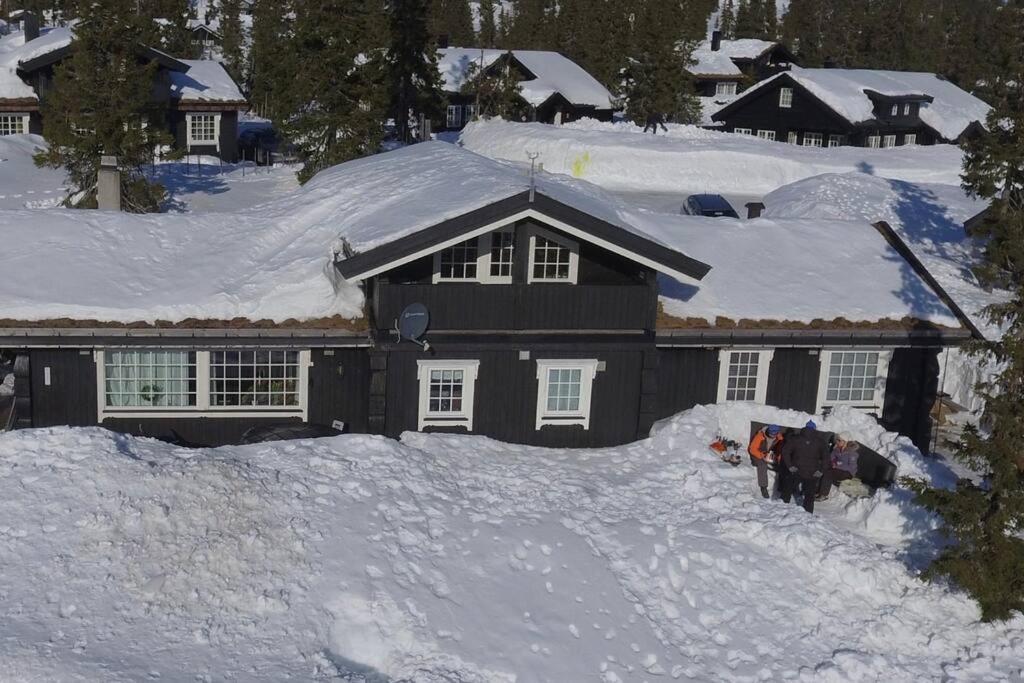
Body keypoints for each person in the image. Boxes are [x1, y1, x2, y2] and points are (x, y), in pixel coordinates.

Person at [779, 420, 829, 514]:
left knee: (787, 491)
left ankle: (781, 511)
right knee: (809, 496)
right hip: (812, 473)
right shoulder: (820, 442)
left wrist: (790, 466)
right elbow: (826, 458)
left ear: (805, 428)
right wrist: (821, 470)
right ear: (814, 429)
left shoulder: (795, 439)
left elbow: (785, 452)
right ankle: (808, 515)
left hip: (795, 470)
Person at [818, 433, 860, 500]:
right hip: (838, 470)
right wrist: (835, 462)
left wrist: (837, 464)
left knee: (828, 474)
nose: (837, 441)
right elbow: (832, 458)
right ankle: (816, 491)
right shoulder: (836, 449)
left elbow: (851, 467)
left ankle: (823, 495)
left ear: (845, 441)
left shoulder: (852, 453)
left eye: (839, 440)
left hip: (848, 473)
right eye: (837, 440)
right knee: (822, 469)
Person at [747, 424, 784, 498]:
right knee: (762, 464)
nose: (773, 436)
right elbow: (752, 449)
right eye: (771, 434)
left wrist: (778, 458)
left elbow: (781, 449)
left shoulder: (779, 438)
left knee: (782, 465)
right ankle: (763, 487)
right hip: (757, 454)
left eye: (774, 434)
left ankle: (781, 487)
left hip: (769, 455)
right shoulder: (760, 435)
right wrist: (762, 456)